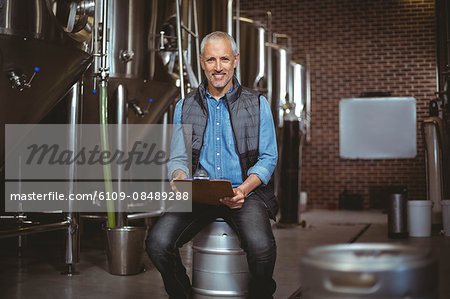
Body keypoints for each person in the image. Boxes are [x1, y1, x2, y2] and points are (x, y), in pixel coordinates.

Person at [146, 31, 278, 299]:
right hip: (200, 194)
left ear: (236, 60)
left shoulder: (258, 103)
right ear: (201, 62)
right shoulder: (184, 107)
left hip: (244, 193)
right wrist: (179, 177)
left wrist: (243, 189)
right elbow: (178, 158)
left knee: (262, 247)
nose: (218, 67)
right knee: (157, 243)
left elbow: (268, 157)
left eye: (225, 59)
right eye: (211, 60)